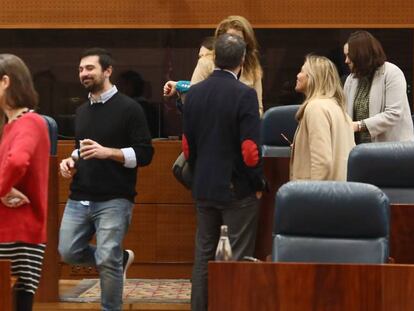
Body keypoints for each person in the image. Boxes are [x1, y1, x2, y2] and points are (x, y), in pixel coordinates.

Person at [58, 48, 154, 311]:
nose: (84, 74)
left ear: (107, 71)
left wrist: (108, 152)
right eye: (80, 69)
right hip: (79, 196)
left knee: (106, 257)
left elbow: (146, 154)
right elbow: (82, 148)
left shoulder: (130, 108)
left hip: (115, 198)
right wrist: (72, 160)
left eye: (89, 68)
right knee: (68, 252)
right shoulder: (81, 111)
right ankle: (118, 259)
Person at [182, 33, 265, 311]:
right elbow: (250, 150)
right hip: (237, 190)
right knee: (236, 260)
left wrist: (198, 176)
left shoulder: (193, 94)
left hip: (204, 188)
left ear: (214, 58)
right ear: (242, 60)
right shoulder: (245, 94)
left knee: (203, 256)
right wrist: (257, 183)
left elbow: (187, 147)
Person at [0, 54, 50, 311]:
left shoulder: (29, 121)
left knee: (15, 301)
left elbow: (18, 162)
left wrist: (2, 188)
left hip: (16, 230)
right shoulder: (13, 125)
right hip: (16, 230)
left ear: (5, 81)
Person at [164, 15, 264, 116]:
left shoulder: (253, 68)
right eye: (229, 38)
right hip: (210, 125)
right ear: (220, 40)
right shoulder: (206, 63)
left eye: (239, 39)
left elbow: (258, 110)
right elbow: (194, 102)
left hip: (242, 126)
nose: (234, 43)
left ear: (247, 42)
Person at [290, 55, 355, 181]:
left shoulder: (315, 108)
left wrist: (314, 195)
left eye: (303, 71)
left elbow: (322, 162)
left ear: (314, 77)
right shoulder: (338, 109)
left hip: (317, 195)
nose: (298, 75)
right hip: (338, 192)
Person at [343, 30, 414, 143]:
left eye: (349, 56)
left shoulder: (392, 73)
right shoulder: (351, 79)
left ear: (362, 54)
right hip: (360, 149)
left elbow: (394, 114)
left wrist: (359, 125)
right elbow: (345, 114)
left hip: (393, 150)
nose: (346, 61)